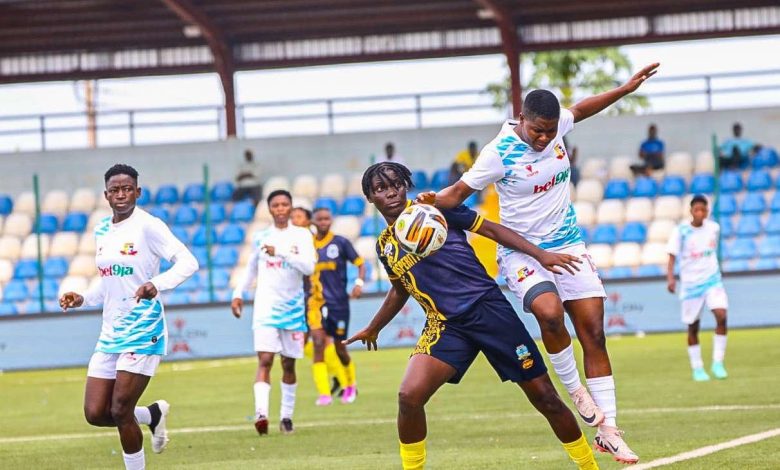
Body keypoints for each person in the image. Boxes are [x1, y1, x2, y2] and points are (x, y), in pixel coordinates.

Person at [417, 63, 660, 465]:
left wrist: (625, 88)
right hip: (522, 250)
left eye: (550, 130)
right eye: (538, 131)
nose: (545, 137)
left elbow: (581, 109)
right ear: (522, 120)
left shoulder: (558, 124)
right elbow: (458, 193)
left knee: (594, 333)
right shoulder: (498, 153)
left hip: (569, 245)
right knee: (549, 313)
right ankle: (574, 388)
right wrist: (425, 203)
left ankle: (609, 431)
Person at [346, 162, 598, 470]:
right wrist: (374, 327)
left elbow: (491, 229)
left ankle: (589, 465)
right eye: (381, 189)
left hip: (488, 311)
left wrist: (539, 254)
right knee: (408, 397)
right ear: (370, 198)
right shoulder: (385, 245)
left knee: (544, 397)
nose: (391, 193)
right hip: (445, 326)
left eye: (396, 185)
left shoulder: (436, 209)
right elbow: (400, 289)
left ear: (406, 186)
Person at [59, 164, 199, 470]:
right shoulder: (102, 230)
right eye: (115, 190)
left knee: (121, 409)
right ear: (106, 195)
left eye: (127, 189)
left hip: (143, 328)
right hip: (111, 332)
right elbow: (109, 280)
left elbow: (189, 262)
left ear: (138, 191)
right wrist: (83, 297)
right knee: (96, 413)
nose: (121, 194)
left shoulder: (150, 226)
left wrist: (156, 284)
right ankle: (152, 415)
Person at [231, 190, 316, 435]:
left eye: (284, 204)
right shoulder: (261, 237)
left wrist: (280, 252)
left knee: (288, 364)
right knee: (265, 360)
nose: (280, 208)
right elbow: (250, 270)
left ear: (290, 208)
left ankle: (286, 417)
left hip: (292, 308)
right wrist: (238, 293)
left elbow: (309, 267)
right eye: (276, 205)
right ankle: (261, 414)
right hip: (265, 308)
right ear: (269, 209)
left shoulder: (301, 235)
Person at [290, 206, 350, 404]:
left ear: (308, 221)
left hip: (318, 300)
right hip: (297, 300)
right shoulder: (291, 241)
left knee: (320, 342)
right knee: (303, 344)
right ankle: (334, 377)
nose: (294, 220)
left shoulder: (312, 242)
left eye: (298, 217)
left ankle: (338, 382)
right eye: (292, 217)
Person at [307, 207, 366, 405]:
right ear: (313, 221)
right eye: (319, 219)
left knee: (340, 348)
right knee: (318, 344)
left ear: (330, 221)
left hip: (338, 303)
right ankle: (324, 393)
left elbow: (360, 263)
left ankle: (350, 385)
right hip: (315, 304)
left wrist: (358, 284)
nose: (323, 222)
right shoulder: (307, 245)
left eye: (326, 219)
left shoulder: (340, 243)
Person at [666, 195, 728, 382]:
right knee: (693, 326)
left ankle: (718, 363)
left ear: (707, 211)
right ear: (691, 211)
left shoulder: (714, 228)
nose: (700, 213)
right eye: (697, 210)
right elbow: (671, 256)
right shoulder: (681, 231)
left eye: (704, 210)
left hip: (712, 281)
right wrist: (670, 278)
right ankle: (697, 368)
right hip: (691, 285)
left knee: (721, 315)